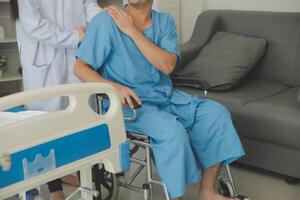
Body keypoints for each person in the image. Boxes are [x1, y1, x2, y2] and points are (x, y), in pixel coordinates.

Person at [74, 0, 245, 199]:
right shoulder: (106, 21)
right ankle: (175, 195)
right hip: (129, 105)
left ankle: (208, 191)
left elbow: (167, 66)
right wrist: (114, 88)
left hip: (166, 98)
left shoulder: (164, 22)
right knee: (173, 132)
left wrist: (132, 30)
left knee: (216, 113)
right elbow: (80, 67)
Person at [10, 0, 102, 199]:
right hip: (43, 61)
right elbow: (34, 24)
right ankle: (55, 190)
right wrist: (76, 36)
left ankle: (78, 177)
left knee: (80, 124)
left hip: (76, 59)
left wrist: (104, 19)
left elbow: (89, 4)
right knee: (46, 130)